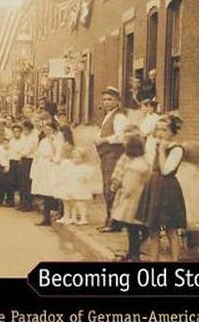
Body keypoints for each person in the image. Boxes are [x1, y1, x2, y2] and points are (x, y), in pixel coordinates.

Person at [136, 114, 187, 262]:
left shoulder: (177, 149)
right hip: (154, 186)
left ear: (172, 132)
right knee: (153, 228)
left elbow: (166, 170)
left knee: (170, 228)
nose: (160, 133)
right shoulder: (156, 145)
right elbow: (152, 165)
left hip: (168, 189)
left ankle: (175, 260)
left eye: (164, 130)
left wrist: (162, 151)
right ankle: (154, 260)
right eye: (158, 129)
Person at [110, 135, 150, 262]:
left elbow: (129, 185)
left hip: (131, 200)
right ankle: (133, 252)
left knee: (132, 229)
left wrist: (122, 194)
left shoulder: (134, 166)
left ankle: (134, 255)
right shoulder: (143, 162)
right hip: (139, 197)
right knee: (134, 227)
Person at [94, 86, 127, 232]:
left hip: (114, 155)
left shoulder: (119, 117)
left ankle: (114, 222)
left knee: (111, 188)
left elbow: (121, 136)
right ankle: (110, 219)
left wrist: (104, 140)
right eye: (105, 100)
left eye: (110, 99)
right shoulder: (108, 116)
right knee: (107, 188)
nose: (106, 102)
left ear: (118, 101)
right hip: (106, 156)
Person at [31, 120, 60, 226]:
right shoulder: (43, 140)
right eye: (45, 129)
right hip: (43, 167)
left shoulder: (56, 139)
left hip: (52, 166)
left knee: (52, 191)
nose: (47, 131)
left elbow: (58, 153)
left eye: (49, 129)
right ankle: (46, 217)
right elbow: (38, 153)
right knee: (44, 192)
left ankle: (56, 214)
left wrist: (52, 144)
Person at [56, 146, 93, 226]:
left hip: (81, 188)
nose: (75, 159)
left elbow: (86, 178)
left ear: (83, 159)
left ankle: (83, 218)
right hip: (74, 188)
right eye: (74, 157)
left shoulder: (85, 168)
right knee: (72, 203)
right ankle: (71, 217)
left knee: (80, 204)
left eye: (78, 158)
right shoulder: (72, 167)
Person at [19, 120, 38, 211]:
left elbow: (28, 150)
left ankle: (28, 204)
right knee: (22, 182)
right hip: (23, 159)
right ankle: (22, 203)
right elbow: (20, 147)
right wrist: (21, 152)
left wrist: (22, 152)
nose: (24, 131)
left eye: (26, 129)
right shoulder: (23, 137)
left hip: (29, 160)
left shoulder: (33, 138)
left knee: (27, 182)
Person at [7, 124, 23, 207]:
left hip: (19, 162)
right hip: (12, 162)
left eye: (18, 131)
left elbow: (22, 152)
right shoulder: (11, 141)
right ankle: (10, 201)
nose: (16, 133)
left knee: (20, 183)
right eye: (14, 132)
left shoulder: (23, 141)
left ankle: (21, 202)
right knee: (10, 182)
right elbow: (9, 153)